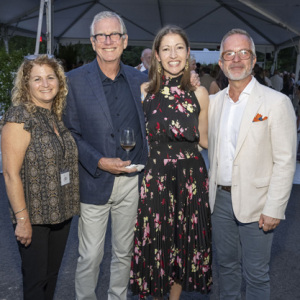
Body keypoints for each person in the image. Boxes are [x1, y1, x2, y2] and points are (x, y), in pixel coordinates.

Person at [63, 11, 149, 300]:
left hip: (132, 180)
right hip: (94, 180)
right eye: (102, 35)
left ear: (125, 42)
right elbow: (69, 133)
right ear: (92, 41)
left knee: (124, 253)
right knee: (90, 256)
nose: (108, 41)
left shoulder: (142, 80)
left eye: (115, 35)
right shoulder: (73, 81)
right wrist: (99, 161)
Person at [208, 28, 297, 299]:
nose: (236, 59)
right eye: (229, 54)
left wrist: (275, 207)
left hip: (259, 202)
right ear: (221, 63)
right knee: (226, 268)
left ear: (254, 60)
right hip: (219, 202)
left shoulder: (277, 102)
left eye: (243, 52)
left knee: (257, 274)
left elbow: (284, 161)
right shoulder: (211, 103)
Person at [130, 25, 212, 300]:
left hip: (191, 178)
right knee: (157, 243)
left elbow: (205, 140)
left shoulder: (199, 93)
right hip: (157, 177)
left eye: (179, 48)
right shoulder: (144, 91)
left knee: (183, 243)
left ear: (188, 53)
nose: (173, 54)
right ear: (156, 55)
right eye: (166, 48)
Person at [0, 54, 80, 300]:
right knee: (35, 284)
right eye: (37, 79)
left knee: (51, 279)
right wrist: (22, 219)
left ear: (59, 81)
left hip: (61, 213)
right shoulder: (19, 117)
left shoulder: (56, 116)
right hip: (33, 217)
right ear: (26, 85)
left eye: (50, 77)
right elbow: (11, 174)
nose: (45, 84)